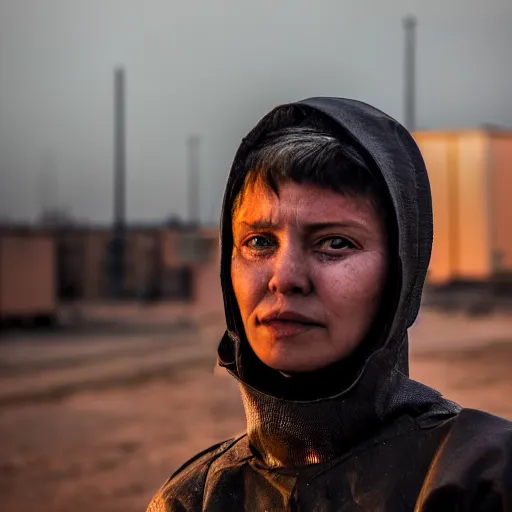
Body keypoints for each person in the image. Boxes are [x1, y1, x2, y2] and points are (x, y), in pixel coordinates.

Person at [147, 98, 512, 511]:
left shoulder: (481, 477)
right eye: (259, 242)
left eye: (335, 243)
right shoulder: (192, 499)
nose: (285, 278)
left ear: (400, 278)